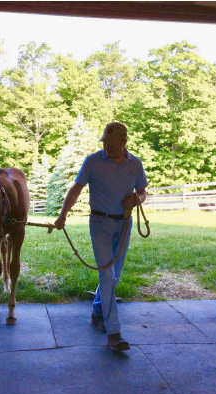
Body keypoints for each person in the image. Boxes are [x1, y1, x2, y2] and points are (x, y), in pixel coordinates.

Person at [54, 122, 148, 351]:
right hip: (99, 224)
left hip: (124, 223)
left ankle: (98, 311)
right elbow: (76, 189)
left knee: (114, 277)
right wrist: (62, 216)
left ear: (124, 143)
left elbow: (143, 191)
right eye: (105, 143)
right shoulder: (93, 161)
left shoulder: (135, 164)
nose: (107, 148)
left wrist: (137, 199)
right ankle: (114, 333)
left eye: (112, 145)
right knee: (107, 275)